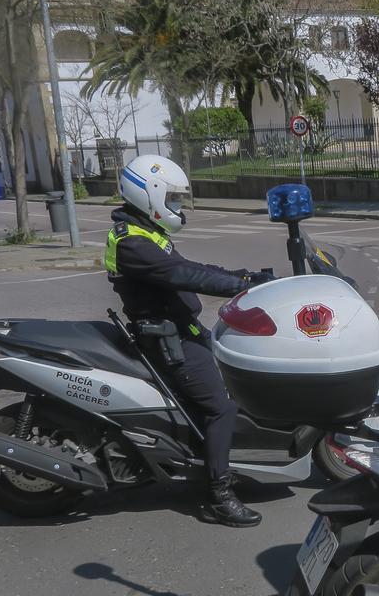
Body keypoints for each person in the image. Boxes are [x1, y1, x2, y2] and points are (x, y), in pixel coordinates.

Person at [106, 154, 273, 528]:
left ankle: (209, 453)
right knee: (222, 406)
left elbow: (192, 268)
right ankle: (220, 494)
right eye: (173, 198)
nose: (178, 206)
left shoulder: (145, 231)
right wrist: (239, 286)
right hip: (168, 339)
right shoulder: (132, 241)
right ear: (149, 194)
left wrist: (243, 275)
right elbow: (182, 275)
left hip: (183, 329)